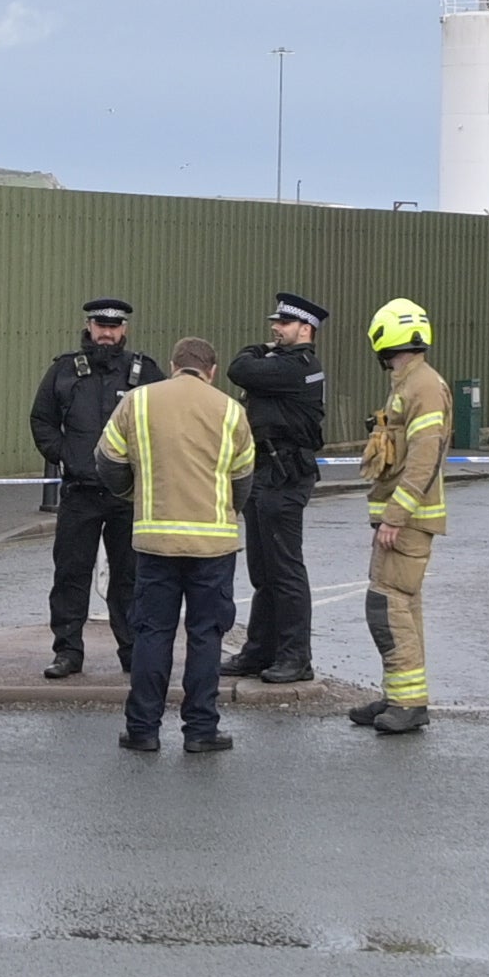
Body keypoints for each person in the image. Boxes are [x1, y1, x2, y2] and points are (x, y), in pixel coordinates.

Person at [97, 337, 255, 753]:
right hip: (214, 544)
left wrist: (133, 493)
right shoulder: (231, 411)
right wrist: (226, 510)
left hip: (155, 540)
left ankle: (143, 729)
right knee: (206, 636)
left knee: (151, 633)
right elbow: (243, 480)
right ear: (212, 370)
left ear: (173, 366)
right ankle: (201, 730)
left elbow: (107, 459)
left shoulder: (139, 401)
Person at [29, 297, 165, 679]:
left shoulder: (146, 372)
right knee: (71, 575)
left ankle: (133, 651)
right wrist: (65, 456)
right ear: (89, 327)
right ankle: (68, 652)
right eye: (100, 326)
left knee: (130, 577)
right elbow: (42, 419)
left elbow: (164, 422)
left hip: (126, 495)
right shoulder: (64, 370)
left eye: (114, 326)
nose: (107, 333)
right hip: (80, 493)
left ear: (124, 330)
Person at [349, 298, 451, 736]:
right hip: (400, 521)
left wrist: (394, 516)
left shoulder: (422, 387)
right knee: (402, 608)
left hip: (406, 522)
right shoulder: (408, 383)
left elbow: (425, 457)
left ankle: (407, 703)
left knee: (387, 606)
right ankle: (401, 696)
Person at [222, 293, 328, 684]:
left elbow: (239, 369)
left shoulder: (298, 367)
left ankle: (296, 657)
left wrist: (261, 350)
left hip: (284, 475)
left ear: (305, 329)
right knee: (263, 571)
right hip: (265, 471)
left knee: (285, 570)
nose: (275, 328)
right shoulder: (282, 363)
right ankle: (260, 651)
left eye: (283, 324)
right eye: (275, 323)